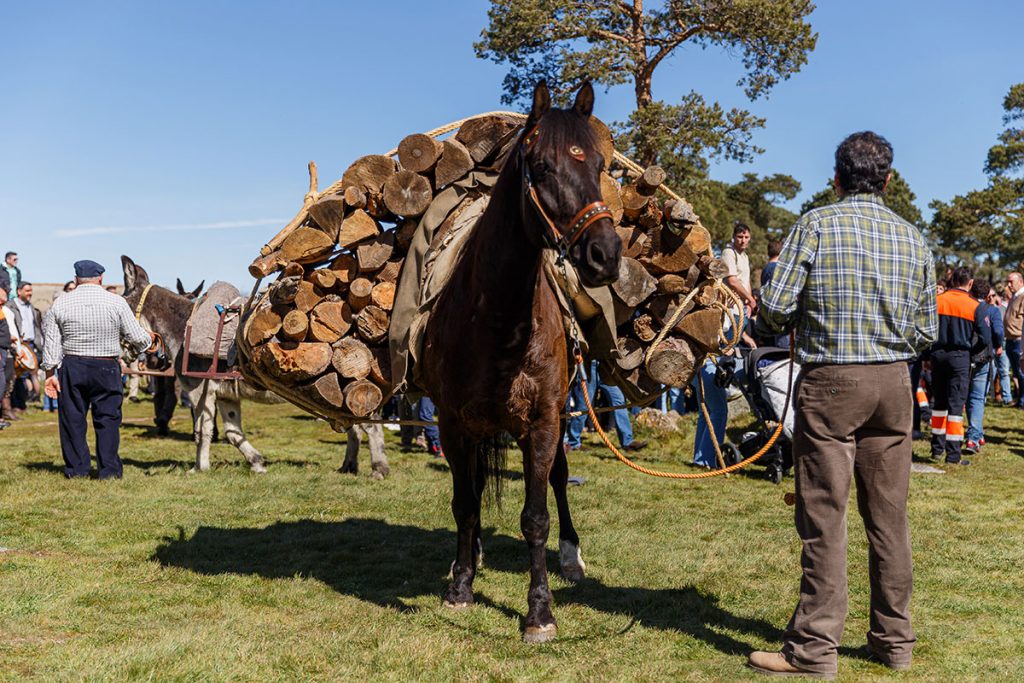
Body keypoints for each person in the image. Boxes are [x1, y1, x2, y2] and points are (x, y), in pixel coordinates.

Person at [751, 131, 937, 678]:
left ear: (835, 177)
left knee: (824, 518)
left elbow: (776, 306)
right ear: (887, 179)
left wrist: (785, 321)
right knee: (889, 519)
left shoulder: (814, 224)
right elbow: (927, 327)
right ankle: (894, 642)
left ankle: (813, 651)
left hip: (830, 382)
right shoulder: (913, 237)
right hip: (894, 384)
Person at [41, 260, 156, 479]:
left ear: (76, 279)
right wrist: (149, 343)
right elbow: (136, 337)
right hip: (106, 366)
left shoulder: (61, 303)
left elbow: (51, 342)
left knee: (72, 420)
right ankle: (109, 470)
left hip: (73, 365)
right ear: (101, 278)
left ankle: (77, 470)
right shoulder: (116, 302)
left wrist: (49, 374)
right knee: (108, 419)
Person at [928, 267, 990, 466]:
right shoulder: (975, 306)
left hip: (938, 355)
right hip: (960, 357)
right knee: (956, 405)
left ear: (952, 279)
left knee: (939, 404)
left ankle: (936, 448)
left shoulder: (938, 300)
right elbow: (985, 338)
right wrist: (970, 351)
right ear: (970, 283)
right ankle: (953, 454)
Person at [565, 361, 646, 453]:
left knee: (619, 403)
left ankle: (627, 442)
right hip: (589, 365)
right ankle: (574, 443)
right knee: (583, 407)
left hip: (607, 365)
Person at [965, 280, 1000, 454]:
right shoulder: (991, 310)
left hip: (967, 355)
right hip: (984, 356)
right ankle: (974, 437)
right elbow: (997, 332)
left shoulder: (967, 307)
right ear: (987, 295)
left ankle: (975, 434)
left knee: (969, 397)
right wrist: (998, 345)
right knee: (978, 398)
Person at [6, 281, 44, 404]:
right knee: (18, 376)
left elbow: (36, 327)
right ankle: (17, 404)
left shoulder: (31, 307)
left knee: (32, 373)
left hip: (32, 344)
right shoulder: (10, 307)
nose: (30, 293)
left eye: (31, 291)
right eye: (27, 291)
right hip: (18, 344)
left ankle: (30, 400)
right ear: (19, 291)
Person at [1001, 272, 1024, 406]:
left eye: (1011, 282)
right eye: (1007, 282)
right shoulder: (1015, 296)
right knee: (1016, 373)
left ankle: (1022, 401)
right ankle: (1020, 399)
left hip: (1018, 339)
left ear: (1020, 282)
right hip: (1010, 339)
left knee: (1021, 372)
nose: (1008, 285)